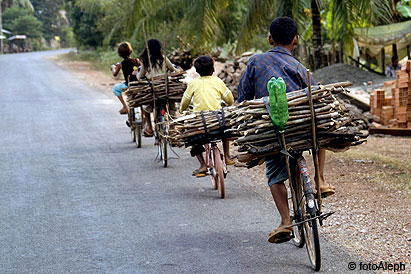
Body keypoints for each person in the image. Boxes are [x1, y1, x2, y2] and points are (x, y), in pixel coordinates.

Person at [237, 17, 335, 244]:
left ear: (270, 39)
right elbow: (317, 98)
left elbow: (242, 98)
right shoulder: (300, 68)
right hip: (302, 129)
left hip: (274, 131)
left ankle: (285, 221)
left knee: (274, 175)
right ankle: (319, 179)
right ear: (296, 40)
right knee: (319, 129)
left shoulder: (256, 62)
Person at [180, 56, 235, 177]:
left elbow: (185, 102)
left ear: (197, 71)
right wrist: (230, 104)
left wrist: (182, 110)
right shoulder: (217, 81)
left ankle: (203, 165)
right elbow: (230, 99)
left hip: (199, 121)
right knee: (226, 128)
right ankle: (227, 156)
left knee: (190, 137)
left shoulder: (193, 83)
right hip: (216, 119)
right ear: (213, 70)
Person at [136, 39, 180, 137]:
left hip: (152, 90)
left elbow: (139, 77)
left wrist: (139, 75)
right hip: (165, 89)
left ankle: (150, 128)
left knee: (144, 106)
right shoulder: (163, 59)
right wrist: (176, 71)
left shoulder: (146, 61)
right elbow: (174, 70)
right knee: (171, 103)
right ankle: (172, 128)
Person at [111, 42, 141, 115]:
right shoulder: (137, 61)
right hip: (139, 84)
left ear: (120, 54)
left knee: (115, 88)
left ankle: (125, 106)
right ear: (130, 51)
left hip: (129, 85)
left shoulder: (121, 64)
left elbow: (115, 74)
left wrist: (112, 68)